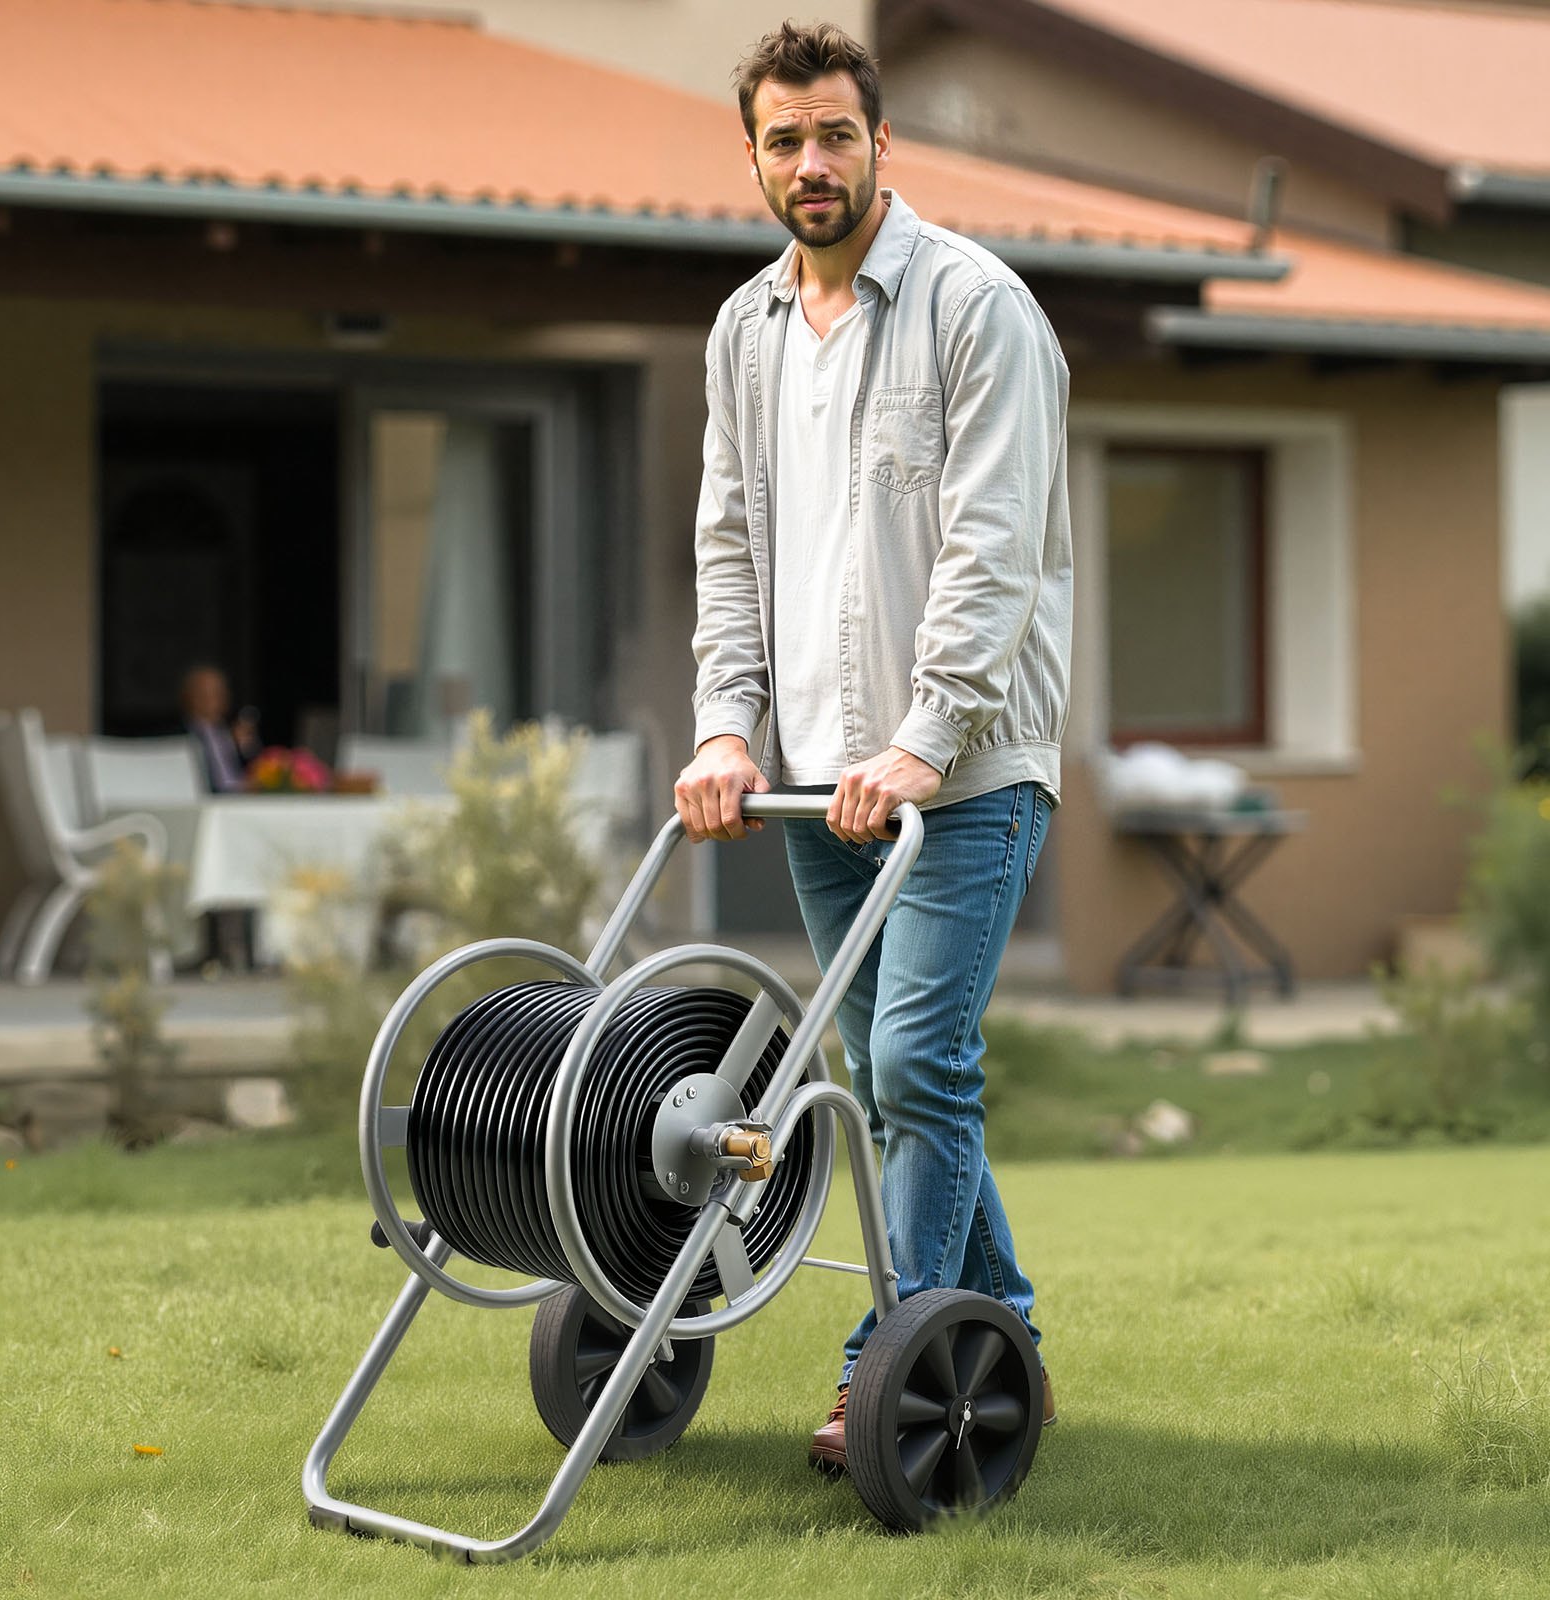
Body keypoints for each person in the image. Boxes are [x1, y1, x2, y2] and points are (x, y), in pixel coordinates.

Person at [673, 21, 1072, 1473]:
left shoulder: (976, 307)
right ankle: (997, 1328)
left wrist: (923, 738)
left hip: (959, 772)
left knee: (912, 1060)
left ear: (880, 142)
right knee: (896, 1072)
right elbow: (730, 548)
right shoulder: (744, 333)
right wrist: (728, 723)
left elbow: (992, 546)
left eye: (835, 133)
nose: (812, 162)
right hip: (815, 782)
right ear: (753, 157)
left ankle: (879, 1373)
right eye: (784, 139)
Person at [180, 665, 258, 794]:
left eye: (218, 692)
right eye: (204, 693)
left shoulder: (232, 732)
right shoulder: (183, 735)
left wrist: (244, 747)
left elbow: (256, 768)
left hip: (244, 797)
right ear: (189, 696)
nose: (213, 699)